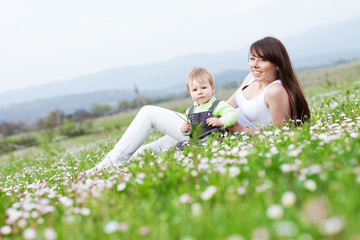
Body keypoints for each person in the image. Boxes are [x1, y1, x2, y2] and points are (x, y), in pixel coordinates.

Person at [86, 36, 310, 172]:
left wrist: (240, 130)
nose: (255, 65)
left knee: (148, 113)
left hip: (221, 136)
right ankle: (110, 171)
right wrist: (194, 113)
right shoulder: (251, 78)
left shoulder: (276, 91)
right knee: (150, 149)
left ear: (278, 63)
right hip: (209, 123)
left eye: (263, 60)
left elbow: (283, 135)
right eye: (252, 58)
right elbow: (225, 104)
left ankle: (101, 170)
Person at [175, 67, 238, 149]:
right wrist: (184, 129)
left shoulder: (217, 105)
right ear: (190, 93)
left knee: (210, 139)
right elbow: (190, 128)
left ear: (212, 88)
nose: (200, 92)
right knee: (179, 145)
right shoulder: (190, 111)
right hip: (197, 140)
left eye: (203, 88)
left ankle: (197, 147)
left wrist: (221, 121)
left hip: (214, 138)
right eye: (195, 90)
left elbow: (233, 114)